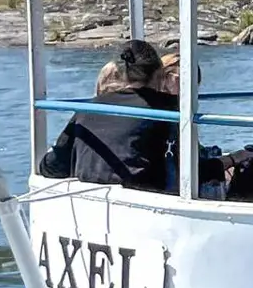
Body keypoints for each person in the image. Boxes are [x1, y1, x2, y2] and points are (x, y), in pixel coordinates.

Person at [39, 40, 178, 192]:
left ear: (119, 72)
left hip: (87, 195)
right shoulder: (167, 108)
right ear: (158, 73)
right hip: (143, 193)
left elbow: (52, 166)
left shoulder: (88, 108)